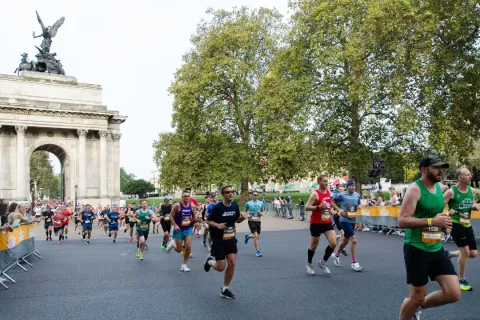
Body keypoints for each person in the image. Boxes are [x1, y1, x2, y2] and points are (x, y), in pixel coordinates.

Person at [398, 155, 460, 320]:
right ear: (424, 169)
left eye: (441, 168)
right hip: (416, 248)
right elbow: (402, 221)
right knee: (416, 296)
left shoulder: (440, 188)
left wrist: (445, 224)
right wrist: (433, 221)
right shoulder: (415, 189)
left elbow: (437, 215)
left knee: (453, 294)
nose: (440, 171)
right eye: (436, 167)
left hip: (436, 247)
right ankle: (412, 306)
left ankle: (415, 308)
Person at [204, 184, 249, 299]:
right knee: (220, 268)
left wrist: (242, 218)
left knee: (232, 263)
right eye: (228, 192)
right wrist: (218, 225)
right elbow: (208, 221)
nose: (230, 193)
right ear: (223, 194)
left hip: (231, 238)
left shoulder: (234, 206)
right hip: (218, 239)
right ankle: (210, 261)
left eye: (232, 191)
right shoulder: (218, 207)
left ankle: (225, 289)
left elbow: (236, 220)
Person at [443, 167, 480, 291]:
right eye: (468, 175)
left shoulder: (472, 190)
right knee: (465, 251)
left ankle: (449, 254)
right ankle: (461, 279)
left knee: (473, 253)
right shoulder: (451, 192)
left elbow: (474, 201)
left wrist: (474, 205)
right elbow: (436, 207)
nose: (470, 177)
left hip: (467, 223)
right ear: (460, 177)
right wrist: (448, 214)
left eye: (470, 175)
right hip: (455, 223)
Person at [304, 175, 340, 275]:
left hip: (327, 221)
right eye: (324, 181)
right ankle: (309, 264)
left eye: (327, 181)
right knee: (314, 246)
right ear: (319, 182)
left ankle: (323, 263)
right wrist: (318, 207)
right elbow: (306, 207)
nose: (326, 183)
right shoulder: (315, 194)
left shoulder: (328, 192)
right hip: (316, 223)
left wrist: (338, 209)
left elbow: (331, 202)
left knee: (333, 243)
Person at [333, 180, 363, 271]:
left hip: (352, 220)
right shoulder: (342, 195)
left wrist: (360, 206)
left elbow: (358, 204)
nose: (353, 188)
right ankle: (354, 263)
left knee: (345, 240)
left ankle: (336, 255)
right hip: (344, 220)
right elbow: (332, 202)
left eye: (354, 186)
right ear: (347, 187)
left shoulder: (357, 195)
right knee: (353, 240)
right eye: (351, 186)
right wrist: (339, 210)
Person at [166, 190, 197, 271]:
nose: (187, 197)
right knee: (179, 250)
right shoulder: (177, 206)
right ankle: (173, 244)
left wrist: (197, 219)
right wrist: (175, 225)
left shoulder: (192, 206)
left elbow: (194, 217)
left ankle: (184, 265)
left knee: (188, 246)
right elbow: (171, 216)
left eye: (188, 196)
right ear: (182, 197)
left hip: (188, 229)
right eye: (185, 196)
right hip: (178, 229)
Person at [244, 191, 265, 257]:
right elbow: (245, 211)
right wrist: (246, 215)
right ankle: (258, 251)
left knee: (257, 237)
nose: (256, 196)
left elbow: (263, 211)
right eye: (254, 195)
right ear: (252, 195)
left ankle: (247, 236)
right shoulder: (248, 203)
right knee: (255, 236)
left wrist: (262, 213)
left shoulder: (261, 203)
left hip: (258, 221)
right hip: (251, 221)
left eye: (257, 195)